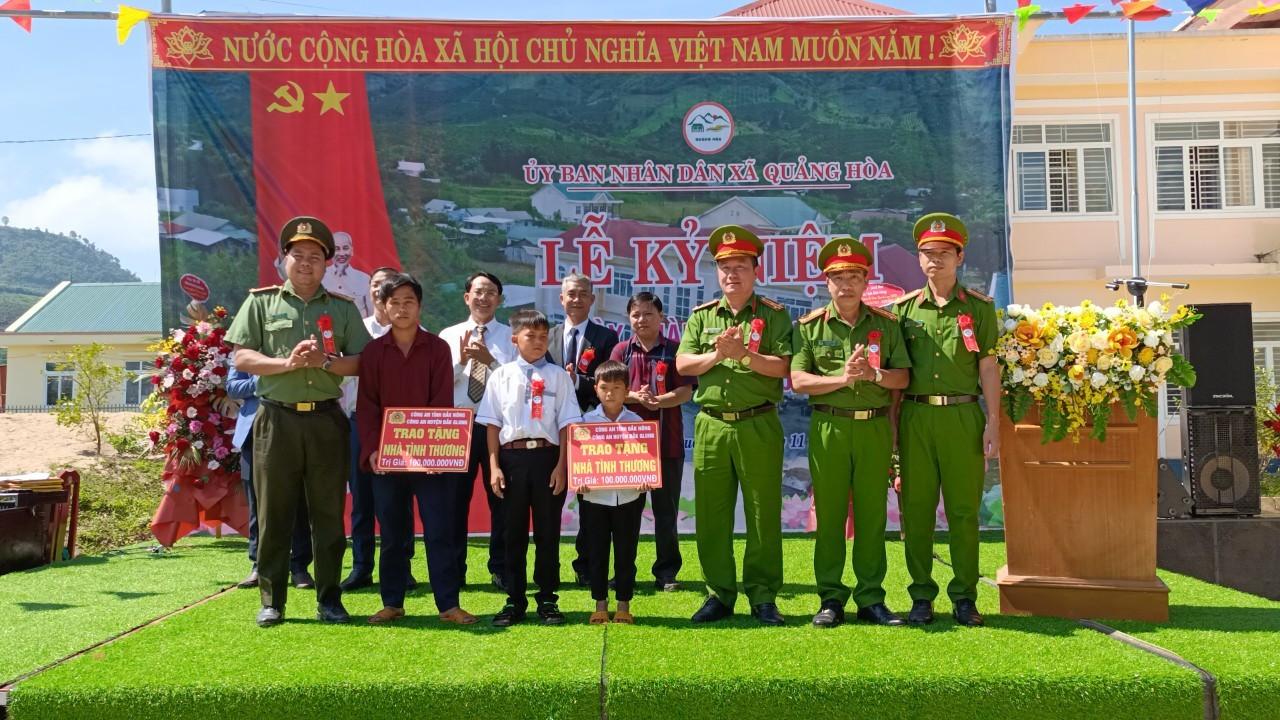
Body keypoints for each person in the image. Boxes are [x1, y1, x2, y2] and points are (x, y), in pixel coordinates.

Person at [226, 215, 371, 627]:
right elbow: (241, 357)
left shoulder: (342, 309)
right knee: (274, 513)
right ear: (283, 260)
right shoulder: (260, 303)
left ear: (327, 264)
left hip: (326, 420)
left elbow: (361, 361)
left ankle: (329, 600)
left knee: (327, 515)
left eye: (314, 257)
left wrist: (325, 361)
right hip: (276, 421)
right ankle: (272, 601)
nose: (306, 263)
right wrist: (285, 363)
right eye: (298, 255)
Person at [790, 237, 911, 628]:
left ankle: (871, 598)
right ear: (826, 283)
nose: (846, 285)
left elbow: (903, 377)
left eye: (853, 276)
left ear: (865, 281)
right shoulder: (809, 327)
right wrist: (841, 379)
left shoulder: (886, 325)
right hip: (830, 426)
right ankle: (830, 598)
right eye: (838, 277)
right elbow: (798, 380)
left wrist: (873, 374)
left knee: (873, 514)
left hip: (874, 426)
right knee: (829, 515)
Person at [675, 225, 793, 626]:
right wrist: (717, 354)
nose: (731, 275)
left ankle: (762, 596)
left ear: (755, 271)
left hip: (758, 423)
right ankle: (719, 594)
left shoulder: (774, 316)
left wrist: (743, 355)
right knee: (712, 512)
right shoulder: (702, 317)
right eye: (724, 267)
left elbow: (783, 368)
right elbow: (683, 364)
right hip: (711, 426)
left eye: (740, 266)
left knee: (763, 513)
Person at [893, 212, 1000, 628]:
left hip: (962, 416)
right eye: (926, 253)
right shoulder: (903, 311)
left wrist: (993, 422)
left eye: (943, 253)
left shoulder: (978, 308)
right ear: (919, 259)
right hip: (916, 417)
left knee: (962, 511)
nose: (934, 260)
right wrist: (893, 432)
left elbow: (988, 367)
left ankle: (964, 596)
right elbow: (898, 380)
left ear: (959, 257)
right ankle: (921, 596)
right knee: (916, 510)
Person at [357, 272, 475, 625]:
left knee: (439, 530)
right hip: (388, 459)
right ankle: (392, 601)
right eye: (394, 302)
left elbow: (441, 403)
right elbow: (367, 406)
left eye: (409, 301)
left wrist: (437, 453)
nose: (402, 308)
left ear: (420, 306)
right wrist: (372, 450)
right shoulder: (374, 351)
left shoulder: (437, 348)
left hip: (431, 461)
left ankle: (448, 605)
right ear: (384, 306)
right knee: (392, 532)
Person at [477, 309, 582, 626]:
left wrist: (563, 465)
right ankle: (514, 599)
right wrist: (494, 466)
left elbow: (566, 424)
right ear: (515, 339)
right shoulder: (501, 376)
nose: (537, 341)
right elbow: (492, 425)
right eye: (529, 336)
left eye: (541, 336)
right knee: (513, 533)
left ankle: (548, 598)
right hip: (511, 461)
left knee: (548, 533)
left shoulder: (558, 376)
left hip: (548, 459)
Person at [609, 291, 693, 591]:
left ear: (662, 318)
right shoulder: (621, 351)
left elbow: (686, 391)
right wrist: (634, 396)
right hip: (629, 446)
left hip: (667, 443)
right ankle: (623, 572)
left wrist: (660, 401)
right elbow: (610, 389)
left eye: (648, 314)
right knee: (625, 512)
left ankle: (666, 572)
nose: (641, 319)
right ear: (629, 318)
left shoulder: (674, 350)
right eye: (635, 314)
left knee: (666, 512)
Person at [437, 272, 514, 592]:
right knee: (453, 501)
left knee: (502, 500)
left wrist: (489, 361)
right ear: (466, 297)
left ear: (499, 299)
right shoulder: (448, 335)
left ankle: (500, 567)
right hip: (458, 426)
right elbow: (438, 383)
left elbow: (515, 384)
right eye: (478, 292)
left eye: (491, 293)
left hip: (497, 426)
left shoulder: (512, 337)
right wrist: (462, 361)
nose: (484, 298)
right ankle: (455, 568)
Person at [339, 265, 412, 592]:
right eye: (376, 285)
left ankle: (402, 567)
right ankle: (361, 566)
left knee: (401, 499)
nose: (382, 291)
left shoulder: (412, 333)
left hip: (401, 426)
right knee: (362, 497)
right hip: (360, 421)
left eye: (389, 285)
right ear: (371, 293)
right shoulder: (356, 331)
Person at [545, 273, 619, 586]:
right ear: (561, 299)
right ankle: (546, 569)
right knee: (549, 501)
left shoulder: (606, 338)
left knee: (593, 503)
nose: (576, 299)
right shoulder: (544, 336)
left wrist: (577, 381)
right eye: (570, 294)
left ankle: (587, 565)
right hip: (550, 430)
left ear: (592, 299)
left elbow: (610, 383)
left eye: (582, 294)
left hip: (593, 429)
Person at [579, 361, 652, 625]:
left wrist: (646, 478)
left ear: (626, 390)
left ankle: (623, 604)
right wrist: (580, 479)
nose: (610, 393)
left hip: (630, 496)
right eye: (604, 388)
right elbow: (579, 459)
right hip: (594, 497)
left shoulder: (638, 421)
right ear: (596, 390)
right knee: (596, 551)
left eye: (617, 388)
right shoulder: (585, 422)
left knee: (626, 553)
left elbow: (647, 458)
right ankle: (600, 603)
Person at [228, 366, 314, 591]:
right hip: (253, 433)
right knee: (257, 502)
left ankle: (299, 567)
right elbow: (233, 387)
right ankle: (259, 565)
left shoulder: (290, 347)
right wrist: (265, 379)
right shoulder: (246, 351)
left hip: (293, 429)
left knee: (297, 500)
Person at [323, 231, 375, 318]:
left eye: (345, 248)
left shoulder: (365, 279)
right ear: (330, 252)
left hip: (357, 330)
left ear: (352, 251)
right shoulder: (320, 277)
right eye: (337, 249)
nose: (342, 254)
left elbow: (373, 314)